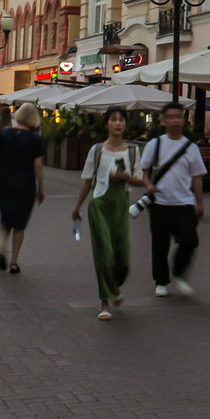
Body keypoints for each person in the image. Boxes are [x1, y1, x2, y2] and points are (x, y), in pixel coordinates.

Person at [71, 108, 144, 319]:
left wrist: (123, 177)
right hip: (99, 204)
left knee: (124, 258)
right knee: (104, 253)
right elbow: (87, 181)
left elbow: (140, 181)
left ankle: (114, 286)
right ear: (107, 125)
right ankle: (105, 303)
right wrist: (77, 207)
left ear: (125, 125)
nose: (118, 123)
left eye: (121, 120)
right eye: (114, 120)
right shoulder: (96, 150)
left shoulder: (132, 151)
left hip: (120, 204)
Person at [140, 101, 209, 298]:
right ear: (163, 121)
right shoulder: (156, 144)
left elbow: (197, 176)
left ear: (183, 120)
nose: (175, 121)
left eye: (178, 117)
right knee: (160, 245)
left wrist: (200, 203)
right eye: (170, 117)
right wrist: (148, 185)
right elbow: (144, 170)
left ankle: (178, 273)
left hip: (184, 203)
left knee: (190, 240)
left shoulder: (191, 147)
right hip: (160, 203)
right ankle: (161, 281)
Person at [0, 102, 45, 274]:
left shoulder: (4, 133)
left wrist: (5, 158)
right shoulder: (35, 139)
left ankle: (0, 248)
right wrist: (41, 188)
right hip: (25, 184)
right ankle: (14, 262)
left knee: (6, 219)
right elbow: (38, 166)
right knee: (20, 224)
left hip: (5, 181)